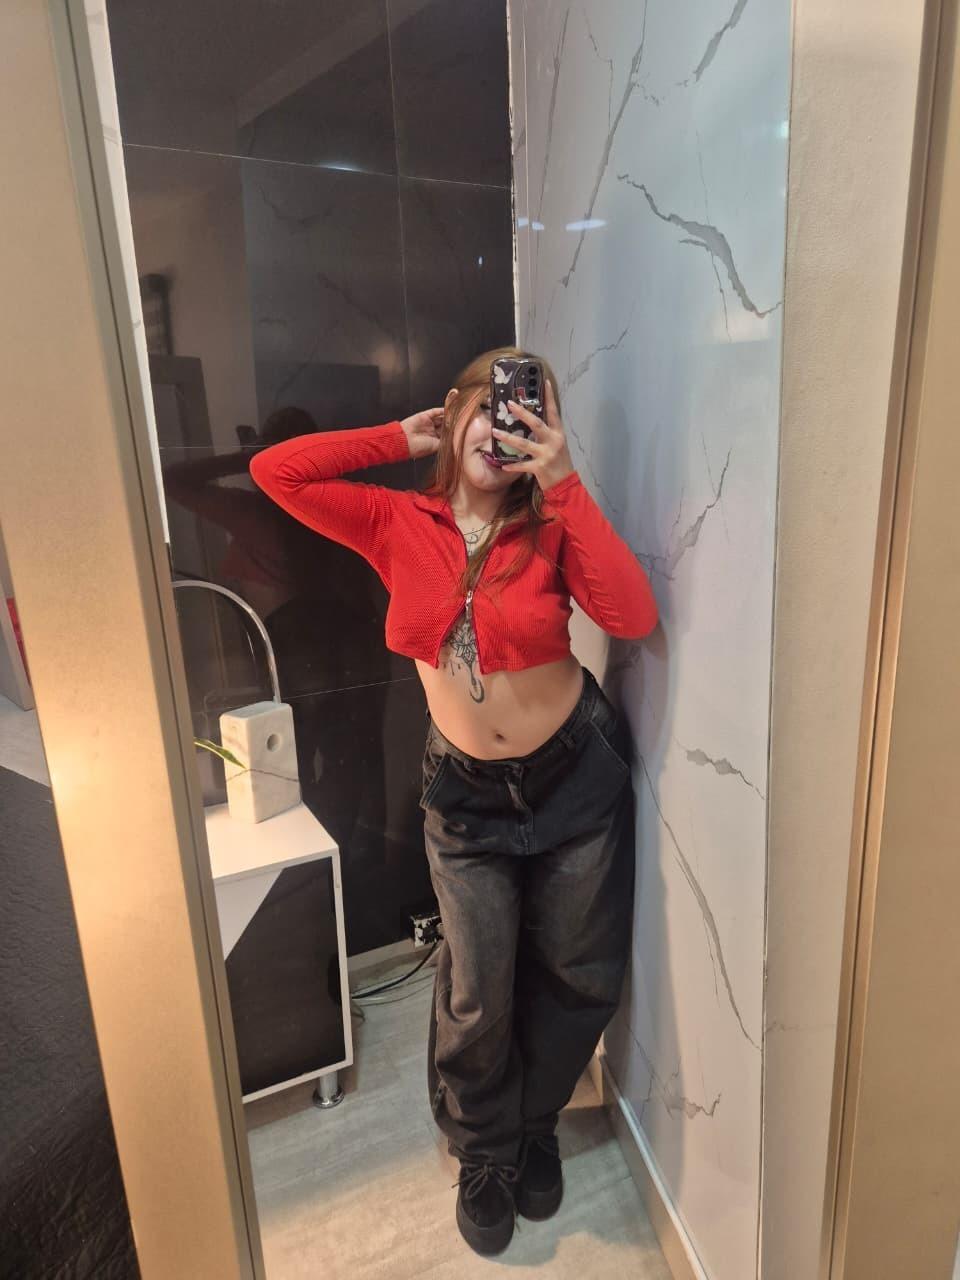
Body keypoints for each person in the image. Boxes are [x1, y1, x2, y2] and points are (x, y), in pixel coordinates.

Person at [249, 346, 659, 1256]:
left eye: (526, 415)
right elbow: (277, 472)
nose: (502, 429)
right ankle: (483, 1152)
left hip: (574, 775)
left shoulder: (550, 524)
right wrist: (399, 437)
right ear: (457, 409)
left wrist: (562, 480)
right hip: (468, 801)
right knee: (478, 988)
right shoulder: (396, 521)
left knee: (576, 972)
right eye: (490, 407)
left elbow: (632, 617)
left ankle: (536, 1124)